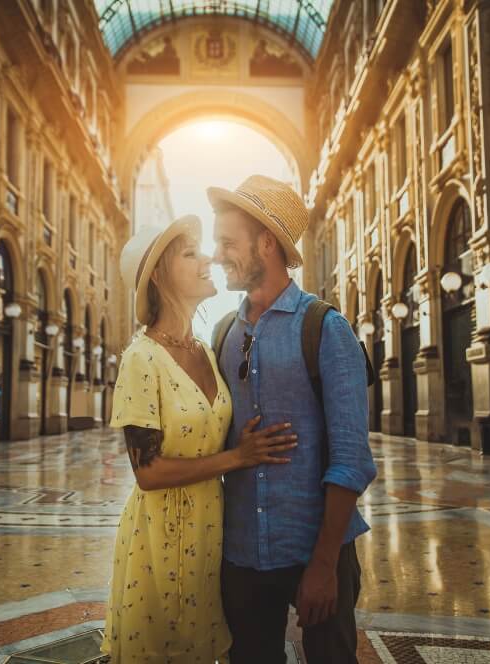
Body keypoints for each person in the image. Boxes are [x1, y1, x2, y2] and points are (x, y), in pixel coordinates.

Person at [103, 215, 298, 663]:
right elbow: (147, 473)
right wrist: (237, 457)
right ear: (158, 275)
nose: (207, 256)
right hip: (159, 536)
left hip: (212, 534)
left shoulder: (207, 352)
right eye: (190, 253)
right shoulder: (141, 357)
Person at [208, 175, 377, 664]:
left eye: (227, 243)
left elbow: (351, 459)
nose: (218, 255)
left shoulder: (325, 328)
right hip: (241, 557)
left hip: (315, 547)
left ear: (267, 242)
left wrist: (324, 565)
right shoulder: (223, 333)